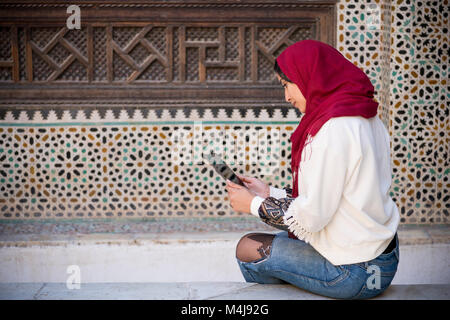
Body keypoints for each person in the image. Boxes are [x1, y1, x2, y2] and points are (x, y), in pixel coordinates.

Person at [225, 40, 400, 299]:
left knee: (248, 249)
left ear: (308, 76)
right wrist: (267, 192)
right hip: (382, 258)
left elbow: (311, 220)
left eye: (287, 85)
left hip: (355, 271)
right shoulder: (364, 115)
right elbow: (335, 198)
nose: (286, 97)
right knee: (267, 248)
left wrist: (252, 205)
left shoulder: (333, 129)